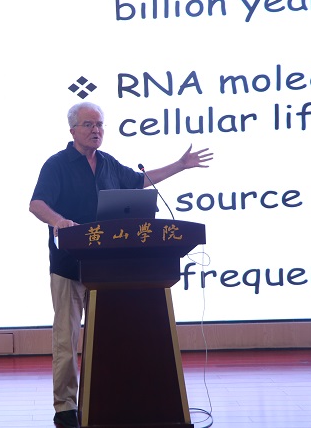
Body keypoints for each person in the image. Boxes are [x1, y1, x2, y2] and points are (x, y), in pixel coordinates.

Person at [29, 101, 213, 428]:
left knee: (109, 338)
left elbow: (140, 181)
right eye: (88, 124)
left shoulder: (108, 164)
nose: (96, 130)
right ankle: (65, 407)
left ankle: (106, 398)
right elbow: (37, 203)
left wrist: (180, 165)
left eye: (99, 124)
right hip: (69, 266)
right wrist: (59, 222)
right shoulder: (57, 164)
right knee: (66, 341)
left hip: (108, 270)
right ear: (72, 130)